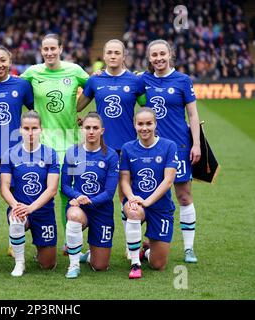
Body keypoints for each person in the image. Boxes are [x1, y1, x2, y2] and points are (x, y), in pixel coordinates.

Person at [77, 39, 146, 259]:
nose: (113, 56)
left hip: (127, 148)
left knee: (127, 195)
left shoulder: (135, 82)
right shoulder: (95, 81)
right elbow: (77, 106)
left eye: (117, 52)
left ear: (124, 56)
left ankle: (130, 244)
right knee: (96, 194)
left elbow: (148, 109)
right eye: (109, 52)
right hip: (101, 149)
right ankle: (94, 243)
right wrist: (80, 120)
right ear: (104, 56)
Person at [20, 33, 89, 244]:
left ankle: (70, 242)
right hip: (43, 142)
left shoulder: (74, 70)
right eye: (45, 49)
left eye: (53, 48)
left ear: (60, 49)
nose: (49, 53)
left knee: (67, 193)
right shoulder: (33, 72)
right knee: (37, 191)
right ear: (41, 51)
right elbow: (12, 89)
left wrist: (78, 110)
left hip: (71, 141)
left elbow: (95, 87)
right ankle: (29, 237)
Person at [141, 39, 201, 263]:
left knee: (184, 196)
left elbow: (193, 115)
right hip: (150, 149)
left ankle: (188, 248)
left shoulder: (183, 80)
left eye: (162, 54)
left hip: (179, 146)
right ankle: (146, 244)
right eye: (154, 55)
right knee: (149, 193)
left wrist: (196, 144)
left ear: (170, 55)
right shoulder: (143, 79)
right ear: (149, 58)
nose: (158, 58)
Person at [120, 107, 178, 279]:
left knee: (157, 265)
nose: (144, 128)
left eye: (148, 124)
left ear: (155, 124)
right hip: (138, 203)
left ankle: (146, 251)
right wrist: (132, 199)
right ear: (134, 125)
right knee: (133, 210)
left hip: (160, 207)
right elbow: (124, 179)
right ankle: (135, 263)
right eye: (140, 124)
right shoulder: (128, 148)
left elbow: (168, 180)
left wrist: (147, 201)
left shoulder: (169, 146)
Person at [0, 111, 60, 277]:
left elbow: (52, 189)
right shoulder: (10, 154)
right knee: (15, 218)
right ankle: (20, 263)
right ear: (20, 130)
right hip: (19, 208)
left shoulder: (50, 154)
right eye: (26, 128)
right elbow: (4, 188)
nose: (30, 132)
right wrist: (16, 206)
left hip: (43, 211)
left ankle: (40, 250)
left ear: (41, 130)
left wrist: (31, 208)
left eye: (34, 128)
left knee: (48, 265)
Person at [61, 112, 119, 279]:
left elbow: (109, 193)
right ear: (82, 130)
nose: (91, 131)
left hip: (102, 210)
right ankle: (73, 265)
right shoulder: (73, 153)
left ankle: (88, 253)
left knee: (100, 266)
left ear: (102, 130)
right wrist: (78, 196)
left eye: (95, 128)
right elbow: (65, 184)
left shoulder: (111, 155)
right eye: (87, 127)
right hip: (80, 208)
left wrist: (90, 200)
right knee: (73, 215)